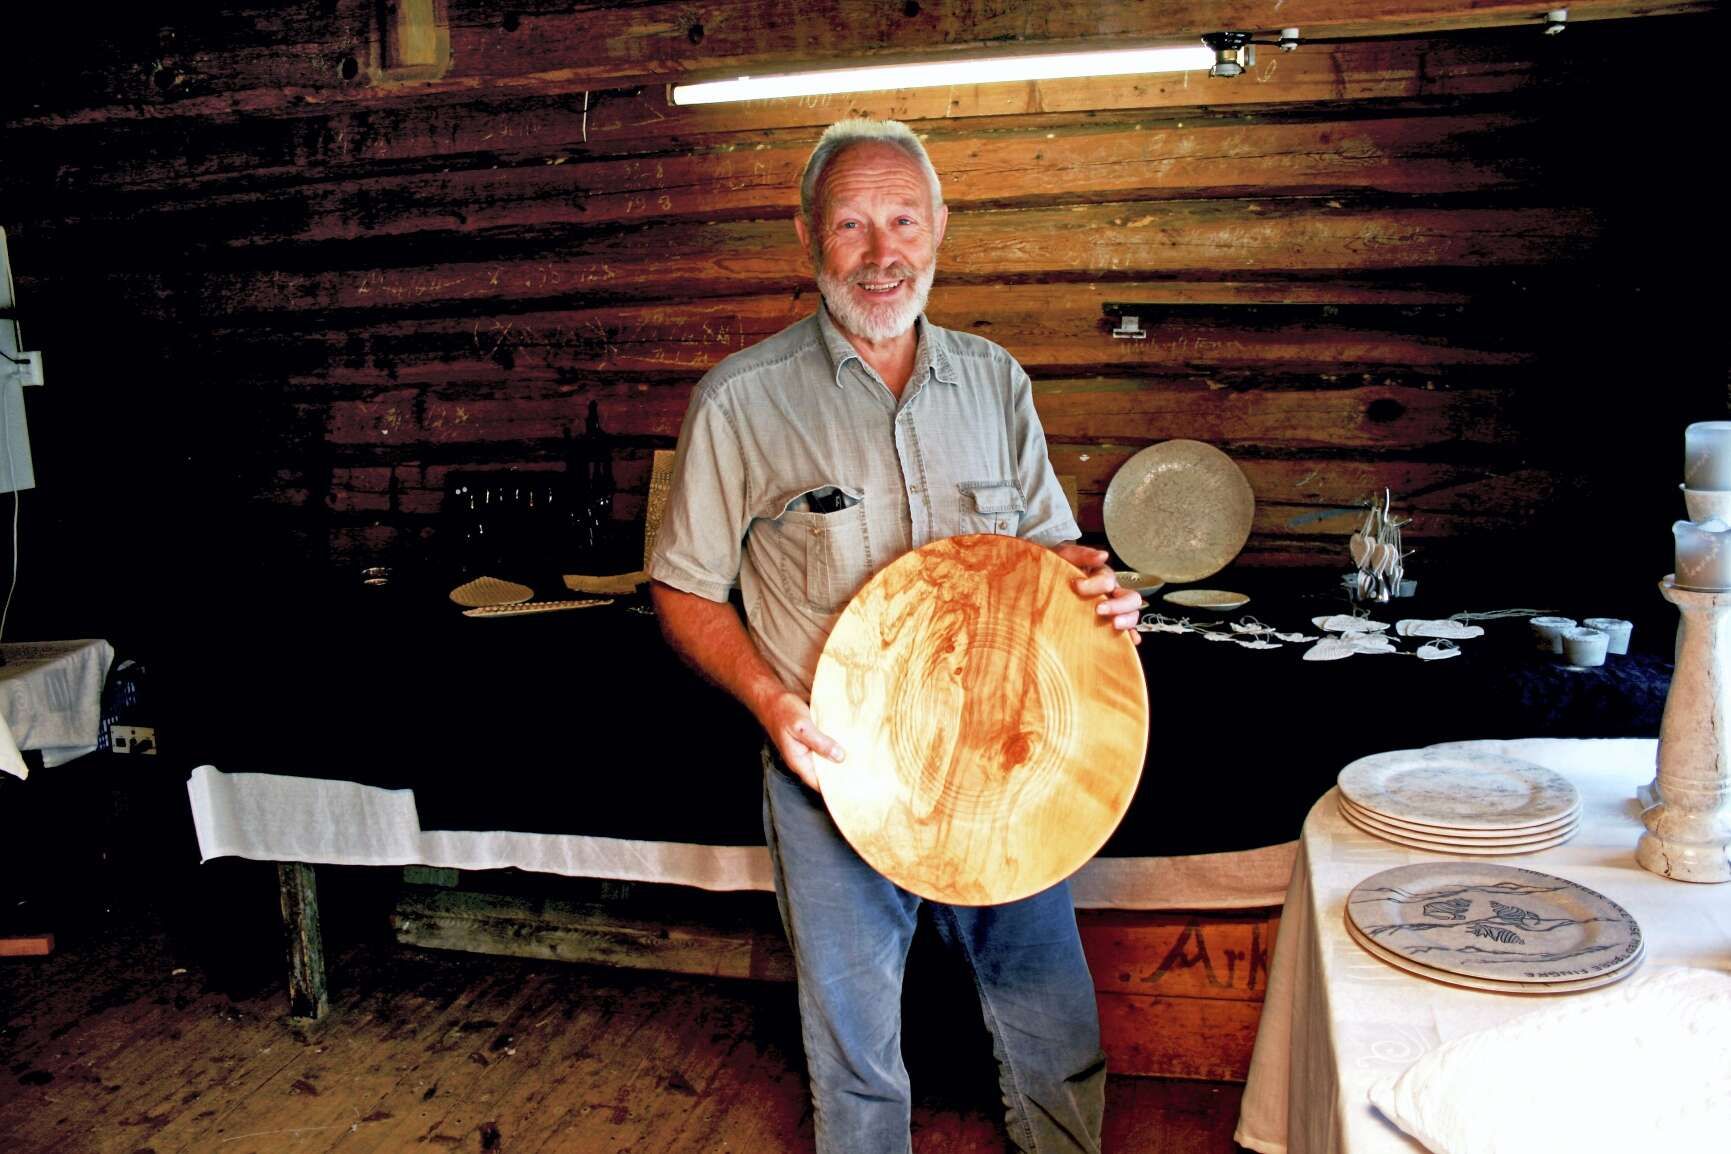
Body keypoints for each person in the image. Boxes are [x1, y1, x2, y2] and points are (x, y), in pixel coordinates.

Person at [647, 117, 1143, 1154]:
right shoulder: (741, 401)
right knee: (857, 1052)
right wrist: (772, 704)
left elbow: (1050, 558)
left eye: (904, 221)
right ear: (807, 235)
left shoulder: (995, 380)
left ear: (939, 227)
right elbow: (684, 590)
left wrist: (1098, 595)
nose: (882, 254)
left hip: (1005, 760)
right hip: (837, 770)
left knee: (1050, 1014)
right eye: (852, 224)